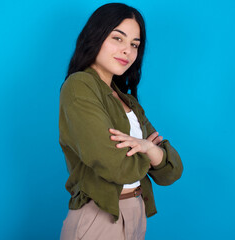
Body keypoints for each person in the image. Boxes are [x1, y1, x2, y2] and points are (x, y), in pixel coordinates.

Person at [59, 3, 183, 240]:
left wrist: (147, 150)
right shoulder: (79, 86)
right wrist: (151, 153)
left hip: (135, 211)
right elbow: (114, 165)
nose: (127, 50)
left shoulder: (127, 100)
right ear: (96, 36)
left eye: (134, 44)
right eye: (118, 38)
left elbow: (170, 173)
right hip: (100, 216)